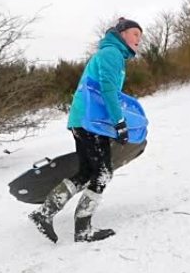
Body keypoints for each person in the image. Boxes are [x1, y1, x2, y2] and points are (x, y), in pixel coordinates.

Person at [29, 17, 143, 243]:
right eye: (135, 34)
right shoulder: (112, 54)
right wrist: (119, 122)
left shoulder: (109, 53)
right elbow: (109, 92)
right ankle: (82, 229)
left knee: (86, 173)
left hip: (82, 119)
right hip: (90, 121)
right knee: (102, 173)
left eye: (141, 36)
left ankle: (44, 214)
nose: (139, 40)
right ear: (122, 34)